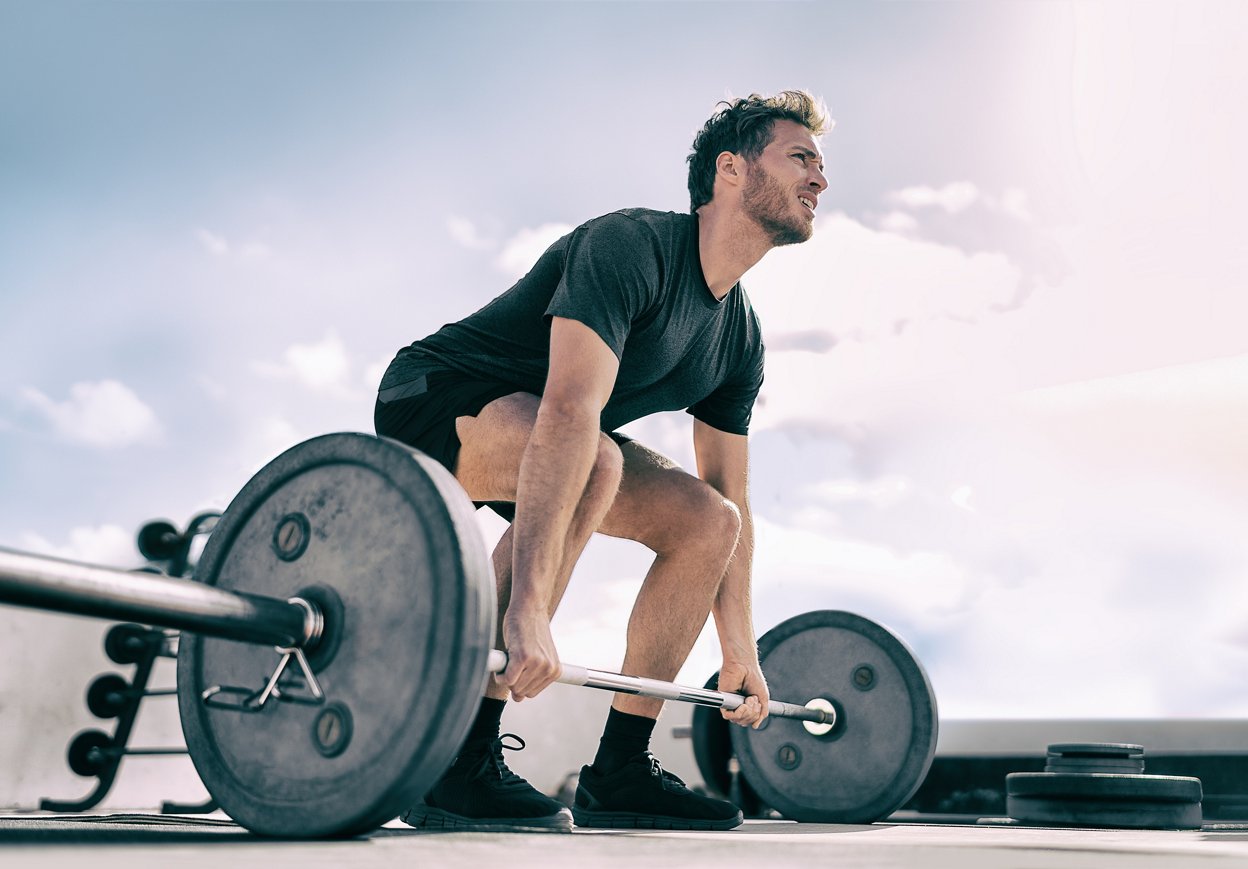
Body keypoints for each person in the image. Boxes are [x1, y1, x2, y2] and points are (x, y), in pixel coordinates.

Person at [375, 90, 830, 832]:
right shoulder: (631, 245)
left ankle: (620, 768)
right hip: (432, 397)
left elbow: (731, 495)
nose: (820, 180)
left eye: (820, 165)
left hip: (561, 436)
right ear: (731, 171)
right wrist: (526, 609)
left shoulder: (738, 338)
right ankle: (457, 762)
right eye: (801, 158)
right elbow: (568, 412)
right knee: (596, 462)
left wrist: (738, 648)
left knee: (707, 520)